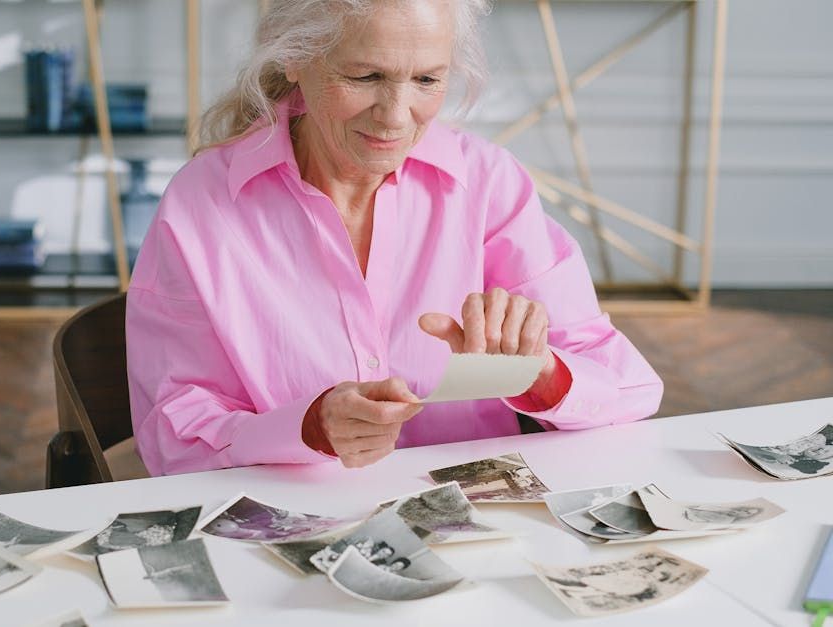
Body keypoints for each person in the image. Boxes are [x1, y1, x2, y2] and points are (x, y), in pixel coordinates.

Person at [126, 0, 663, 477]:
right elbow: (171, 433)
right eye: (365, 76)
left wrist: (539, 374)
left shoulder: (488, 184)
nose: (396, 116)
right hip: (293, 522)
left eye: (427, 80)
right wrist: (308, 428)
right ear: (293, 60)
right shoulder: (203, 202)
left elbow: (630, 386)